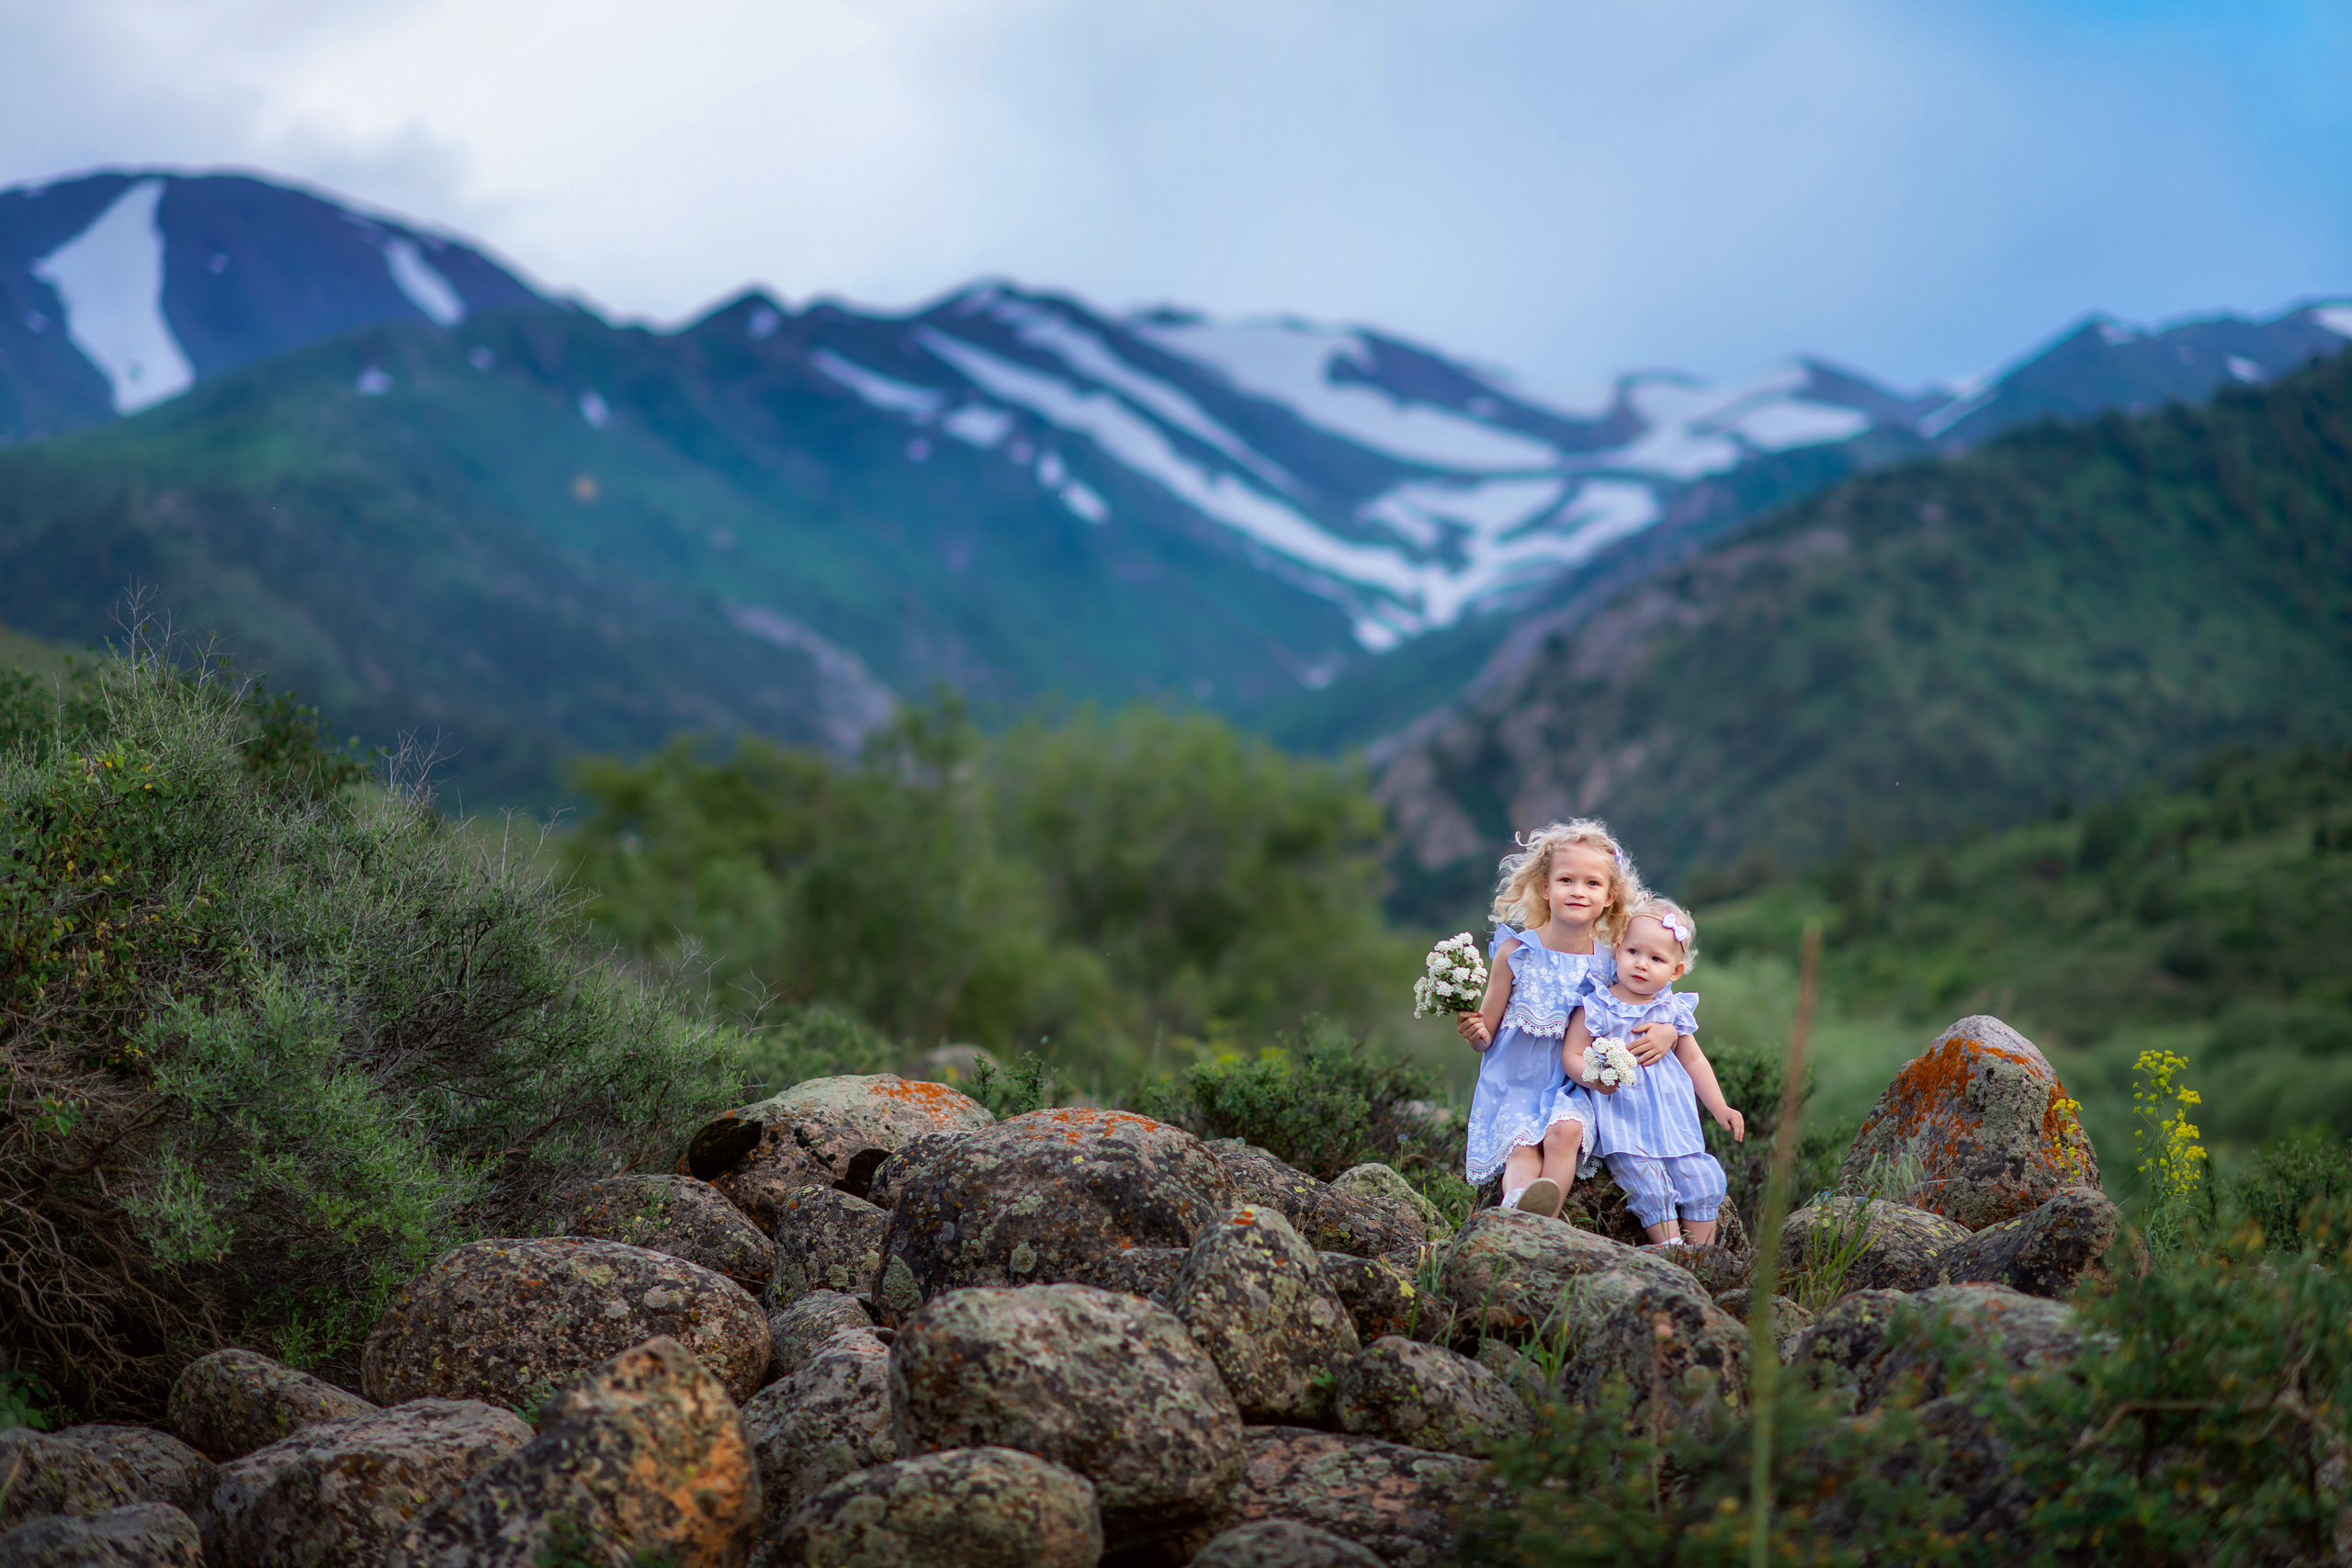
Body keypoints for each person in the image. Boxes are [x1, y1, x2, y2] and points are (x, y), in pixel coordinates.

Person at [1455, 820, 1672, 1216]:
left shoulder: (1611, 963)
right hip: (1515, 1084)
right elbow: (1485, 1035)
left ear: (1610, 897)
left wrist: (1668, 1031)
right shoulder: (1517, 952)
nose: (1578, 891)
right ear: (1545, 888)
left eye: (1592, 884)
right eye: (1566, 880)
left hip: (1576, 1085)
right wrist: (1474, 1032)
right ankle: (1517, 1204)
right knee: (1522, 1149)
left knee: (1565, 1132)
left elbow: (1653, 1004)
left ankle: (1545, 1215)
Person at [1565, 897, 1744, 1245]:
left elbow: (1694, 1061)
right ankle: (1670, 1252)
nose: (1641, 964)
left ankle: (1701, 1261)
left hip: (1673, 1122)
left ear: (1675, 971)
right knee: (1651, 1187)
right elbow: (1571, 1053)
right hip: (1625, 1121)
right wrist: (1595, 1077)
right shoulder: (1599, 1003)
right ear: (1617, 949)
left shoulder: (1670, 1009)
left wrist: (1719, 1106)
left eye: (1656, 958)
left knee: (1703, 1180)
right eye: (1633, 952)